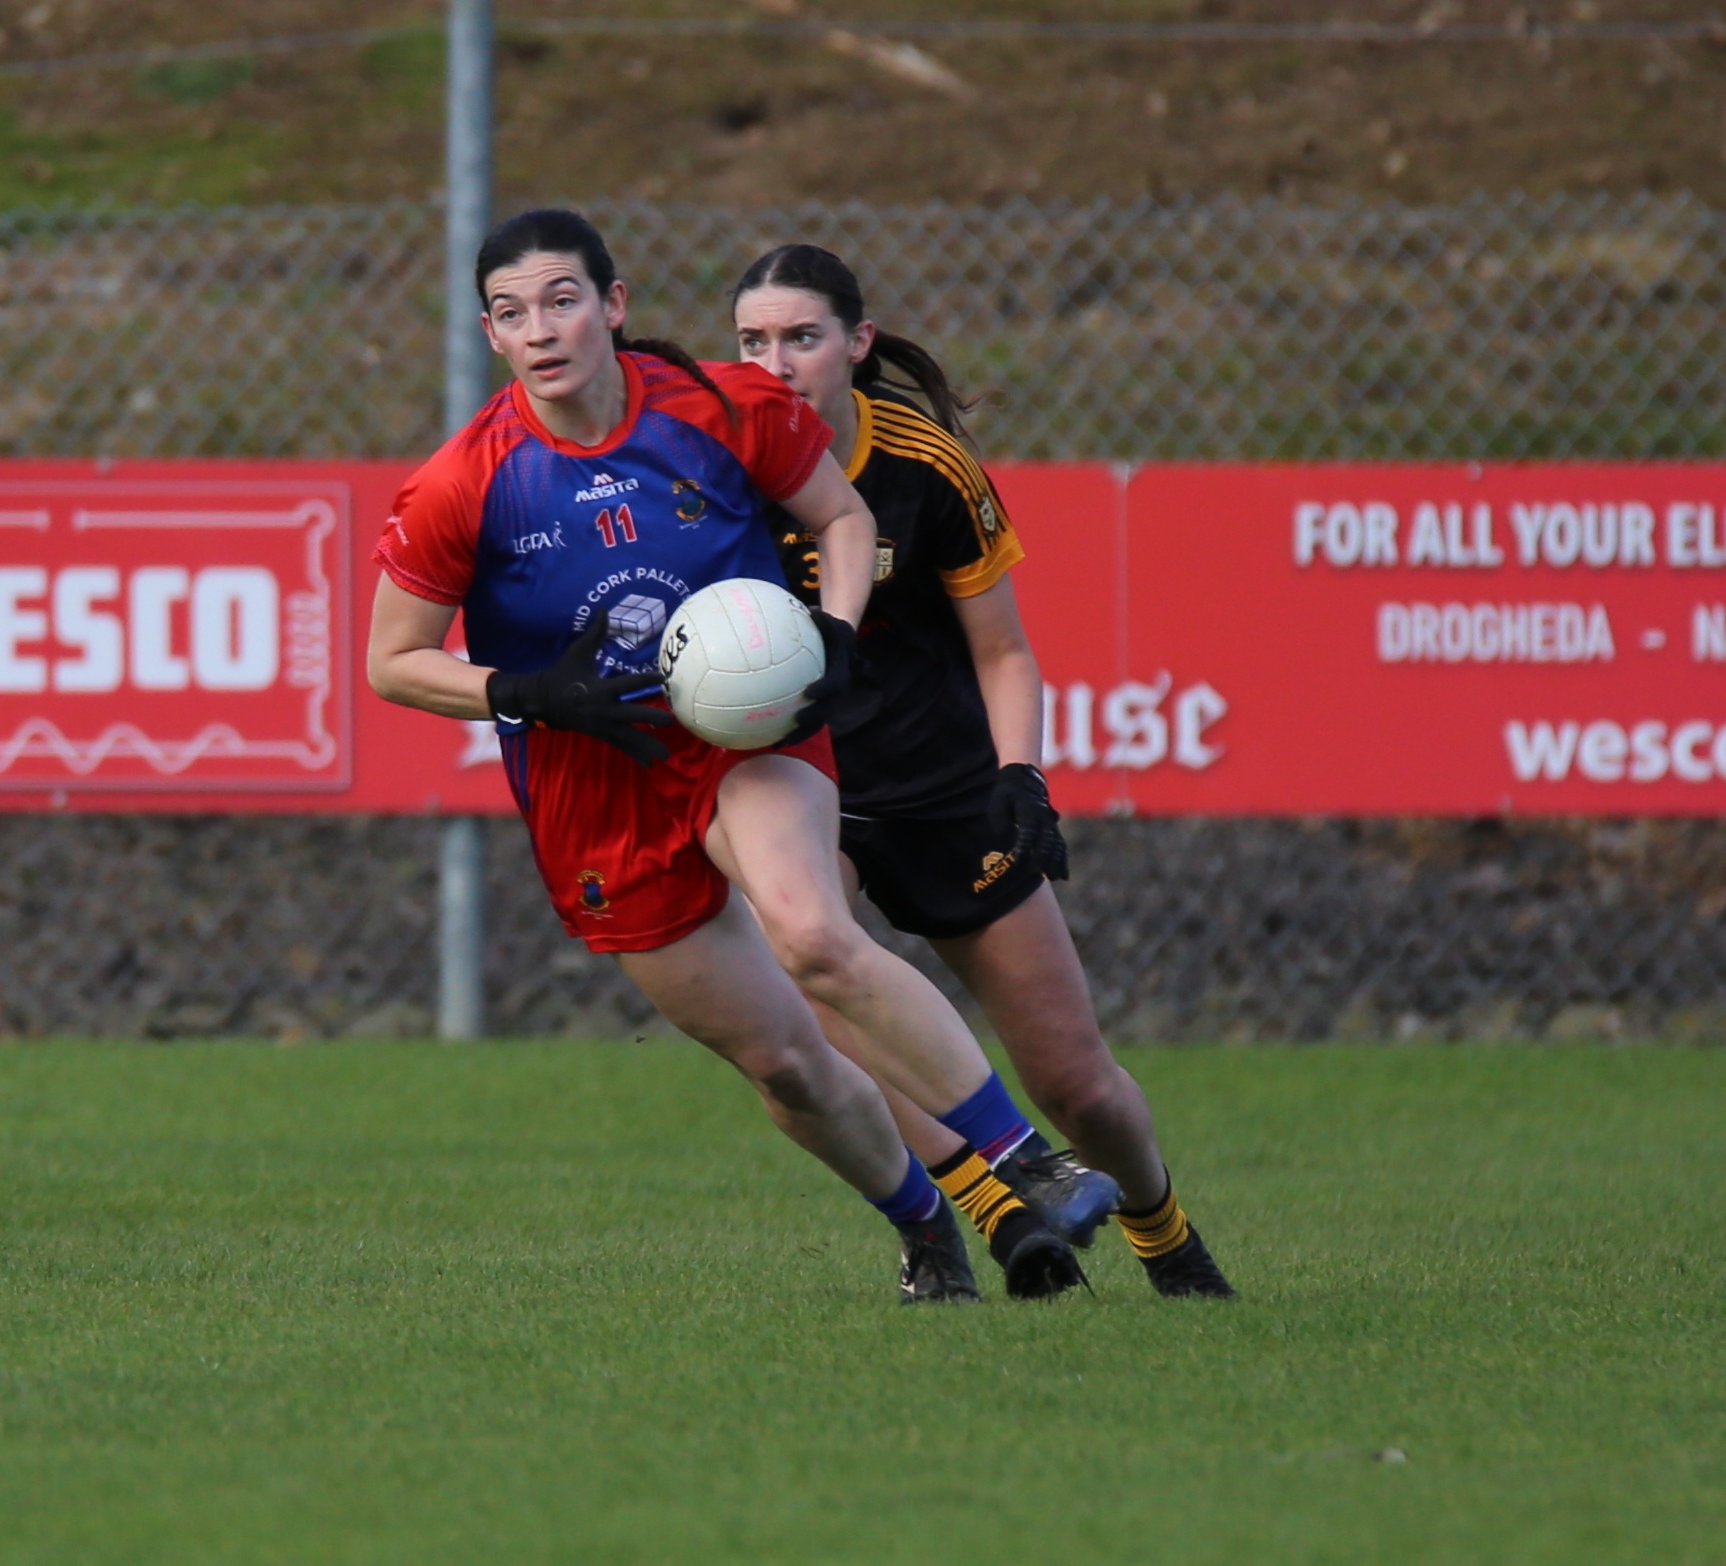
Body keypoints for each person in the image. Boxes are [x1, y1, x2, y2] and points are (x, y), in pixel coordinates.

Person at [366, 208, 1093, 1303]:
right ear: (490, 335)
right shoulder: (464, 481)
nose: (541, 330)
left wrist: (834, 635)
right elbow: (391, 663)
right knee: (788, 1064)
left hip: (743, 734)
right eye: (512, 314)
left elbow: (842, 518)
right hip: (593, 786)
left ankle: (1025, 1159)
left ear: (613, 305)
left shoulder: (717, 407)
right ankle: (923, 1223)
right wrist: (525, 692)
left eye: (562, 300)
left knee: (813, 934)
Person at [732, 244, 1236, 1299]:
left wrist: (1022, 778)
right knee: (805, 985)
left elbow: (1003, 651)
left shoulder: (925, 464)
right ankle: (987, 1213)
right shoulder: (711, 461)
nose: (774, 364)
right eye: (752, 341)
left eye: (801, 337)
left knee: (1077, 1086)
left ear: (857, 343)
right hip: (803, 787)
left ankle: (1164, 1233)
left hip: (945, 794)